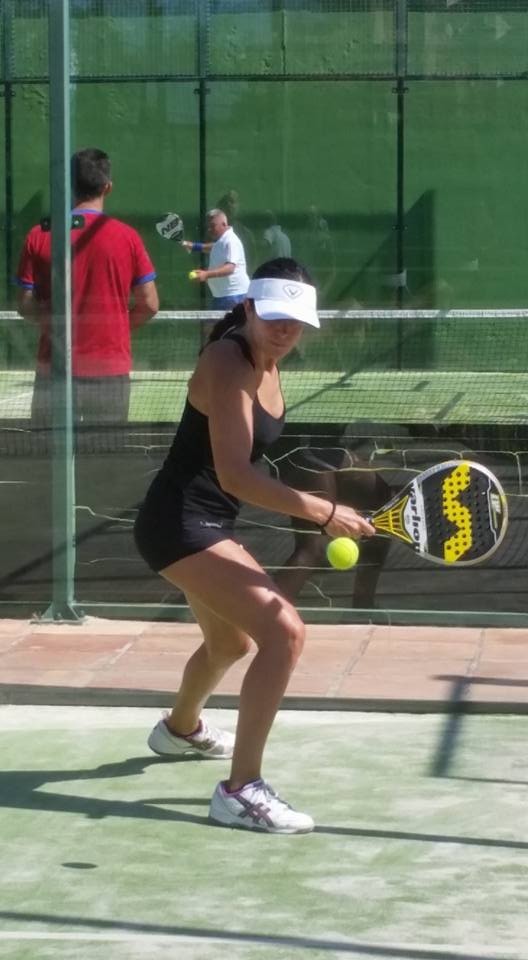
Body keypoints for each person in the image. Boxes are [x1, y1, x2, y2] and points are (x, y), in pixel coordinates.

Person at [134, 257, 375, 834]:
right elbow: (236, 474)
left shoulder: (269, 360)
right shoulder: (226, 359)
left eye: (296, 321)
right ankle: (240, 790)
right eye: (273, 317)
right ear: (248, 307)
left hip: (207, 521)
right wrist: (324, 511)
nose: (285, 329)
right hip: (178, 523)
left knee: (230, 642)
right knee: (284, 632)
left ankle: (179, 730)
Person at [16, 147, 159, 428]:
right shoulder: (128, 237)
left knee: (44, 452)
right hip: (109, 372)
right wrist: (116, 326)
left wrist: (54, 323)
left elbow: (25, 304)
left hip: (54, 368)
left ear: (70, 186)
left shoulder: (39, 235)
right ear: (108, 187)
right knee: (107, 454)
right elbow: (150, 304)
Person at [273, 445, 392, 608]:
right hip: (302, 450)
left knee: (383, 508)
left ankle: (363, 607)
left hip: (326, 448)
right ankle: (262, 616)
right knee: (315, 546)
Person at [182, 208, 249, 311]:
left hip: (234, 297)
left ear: (224, 224)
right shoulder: (222, 241)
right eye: (208, 227)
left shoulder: (231, 241)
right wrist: (193, 246)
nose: (209, 229)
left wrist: (206, 274)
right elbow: (214, 248)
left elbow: (230, 268)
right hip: (222, 296)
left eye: (213, 226)